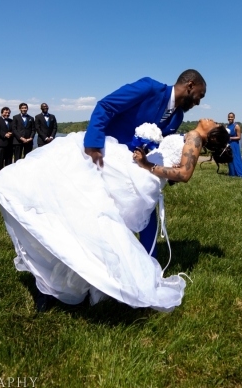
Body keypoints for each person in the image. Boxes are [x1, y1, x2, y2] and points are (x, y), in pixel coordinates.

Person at [0, 119, 232, 312]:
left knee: (80, 159)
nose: (211, 118)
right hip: (141, 172)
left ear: (210, 133)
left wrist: (147, 165)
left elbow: (185, 175)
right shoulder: (190, 136)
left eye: (216, 123)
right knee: (88, 183)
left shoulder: (195, 140)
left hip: (143, 177)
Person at [83, 70, 207, 258]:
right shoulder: (149, 88)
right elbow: (106, 106)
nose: (198, 102)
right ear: (190, 85)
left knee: (147, 206)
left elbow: (160, 146)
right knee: (102, 213)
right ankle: (100, 257)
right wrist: (93, 144)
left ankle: (149, 264)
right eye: (200, 95)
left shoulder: (177, 117)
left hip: (135, 166)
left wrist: (167, 168)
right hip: (107, 156)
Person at [225, 113, 242, 178]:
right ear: (227, 118)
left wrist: (230, 138)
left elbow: (239, 137)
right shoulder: (226, 126)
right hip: (228, 144)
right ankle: (232, 173)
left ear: (234, 118)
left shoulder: (236, 126)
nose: (230, 118)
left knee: (235, 158)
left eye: (231, 117)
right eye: (229, 117)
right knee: (229, 158)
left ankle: (238, 172)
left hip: (234, 144)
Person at [0, 107, 14, 172]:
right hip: (0, 143)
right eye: (5, 113)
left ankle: (8, 172)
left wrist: (11, 133)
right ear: (2, 113)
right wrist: (5, 134)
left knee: (9, 160)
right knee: (0, 160)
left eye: (8, 113)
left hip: (9, 143)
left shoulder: (11, 121)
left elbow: (14, 129)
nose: (7, 114)